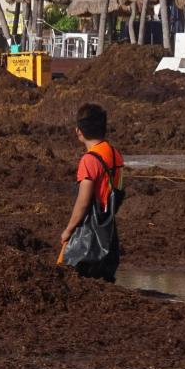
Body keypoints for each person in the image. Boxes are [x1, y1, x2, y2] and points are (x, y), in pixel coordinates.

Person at [60, 102, 126, 282]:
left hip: (90, 228)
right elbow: (118, 189)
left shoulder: (89, 160)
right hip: (108, 226)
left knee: (77, 275)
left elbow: (83, 202)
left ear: (78, 131)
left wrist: (68, 230)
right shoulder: (114, 154)